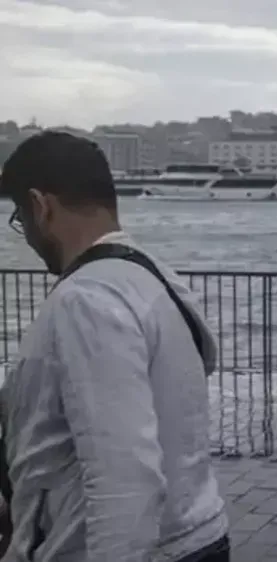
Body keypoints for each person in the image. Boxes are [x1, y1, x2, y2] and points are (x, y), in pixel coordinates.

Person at [0, 131, 229, 561]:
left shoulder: (85, 299)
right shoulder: (154, 278)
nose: (25, 235)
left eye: (20, 218)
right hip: (194, 533)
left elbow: (125, 478)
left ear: (40, 206)